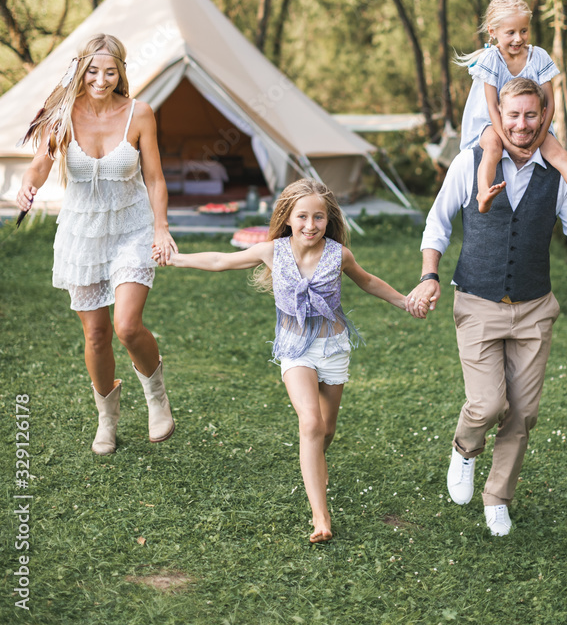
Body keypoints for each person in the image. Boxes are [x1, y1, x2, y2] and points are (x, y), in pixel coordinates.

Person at [406, 77, 567, 537]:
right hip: (478, 301)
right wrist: (429, 275)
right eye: (514, 115)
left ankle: (498, 496)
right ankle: (465, 449)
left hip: (534, 308)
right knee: (487, 405)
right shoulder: (471, 162)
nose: (522, 124)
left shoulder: (559, 174)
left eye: (531, 115)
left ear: (544, 117)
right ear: (499, 117)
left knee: (523, 412)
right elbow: (437, 223)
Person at [155, 178, 410, 543]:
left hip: (333, 347)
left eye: (318, 217)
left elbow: (368, 282)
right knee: (311, 423)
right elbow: (220, 260)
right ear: (288, 218)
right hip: (294, 349)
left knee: (327, 431)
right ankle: (321, 517)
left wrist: (405, 302)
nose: (310, 225)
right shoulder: (273, 251)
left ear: (328, 219)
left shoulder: (339, 255)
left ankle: (315, 462)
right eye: (302, 216)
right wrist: (176, 258)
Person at [17, 34, 178, 455]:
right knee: (96, 335)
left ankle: (157, 398)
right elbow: (40, 164)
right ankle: (107, 420)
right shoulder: (63, 115)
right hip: (82, 233)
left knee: (126, 325)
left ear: (121, 72)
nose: (101, 80)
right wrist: (28, 185)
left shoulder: (139, 114)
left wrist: (161, 228)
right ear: (81, 70)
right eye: (93, 71)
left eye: (110, 72)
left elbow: (155, 178)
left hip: (132, 227)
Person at [456, 0, 567, 213]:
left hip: (532, 123)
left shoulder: (538, 56)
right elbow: (492, 106)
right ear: (493, 32)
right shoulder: (491, 60)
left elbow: (549, 103)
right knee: (493, 147)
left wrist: (539, 139)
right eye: (510, 33)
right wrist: (508, 144)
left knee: (561, 156)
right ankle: (483, 193)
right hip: (491, 122)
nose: (518, 38)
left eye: (523, 31)